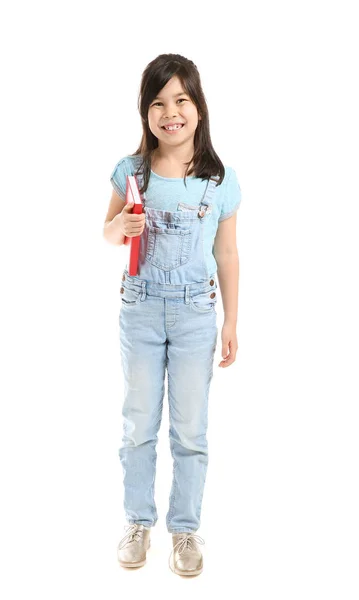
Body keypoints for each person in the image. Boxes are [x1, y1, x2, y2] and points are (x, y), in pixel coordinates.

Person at [103, 53, 242, 577]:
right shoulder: (131, 171)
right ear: (146, 113)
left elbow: (227, 254)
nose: (170, 112)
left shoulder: (219, 180)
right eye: (158, 103)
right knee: (138, 422)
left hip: (195, 316)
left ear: (199, 108)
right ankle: (138, 522)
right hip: (139, 310)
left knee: (190, 430)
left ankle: (185, 531)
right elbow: (107, 232)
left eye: (181, 100)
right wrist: (123, 228)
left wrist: (231, 321)